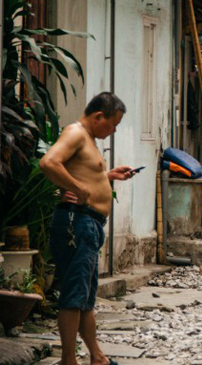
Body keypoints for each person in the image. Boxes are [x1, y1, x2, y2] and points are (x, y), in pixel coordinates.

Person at [40, 92, 135, 365]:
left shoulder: (89, 139)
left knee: (86, 295)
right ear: (98, 116)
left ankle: (97, 357)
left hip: (89, 224)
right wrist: (77, 188)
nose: (114, 130)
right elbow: (49, 162)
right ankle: (69, 361)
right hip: (76, 221)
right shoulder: (76, 132)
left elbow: (83, 174)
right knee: (74, 294)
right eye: (113, 124)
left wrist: (108, 176)